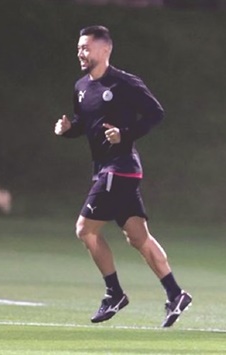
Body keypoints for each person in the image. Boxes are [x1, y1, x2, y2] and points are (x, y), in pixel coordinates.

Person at [54, 25, 191, 328]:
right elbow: (84, 123)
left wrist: (125, 134)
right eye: (79, 47)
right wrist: (68, 130)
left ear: (105, 50)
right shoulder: (80, 86)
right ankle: (176, 293)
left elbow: (156, 113)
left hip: (122, 167)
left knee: (85, 230)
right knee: (138, 237)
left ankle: (114, 293)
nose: (80, 52)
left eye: (86, 47)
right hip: (106, 170)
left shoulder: (124, 83)